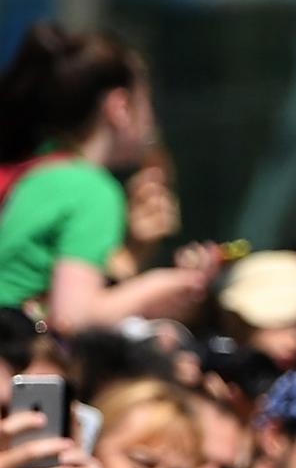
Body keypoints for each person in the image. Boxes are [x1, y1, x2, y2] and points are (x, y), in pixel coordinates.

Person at [0, 23, 219, 331]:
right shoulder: (92, 189)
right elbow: (73, 318)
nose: (152, 120)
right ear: (119, 108)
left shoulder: (37, 172)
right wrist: (161, 285)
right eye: (146, 102)